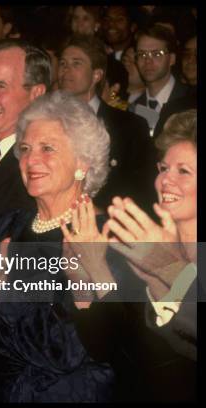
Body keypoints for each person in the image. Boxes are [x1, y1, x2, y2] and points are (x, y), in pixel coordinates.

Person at [0, 91, 115, 402]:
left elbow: (67, 350)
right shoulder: (10, 225)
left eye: (47, 148)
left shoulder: (103, 235)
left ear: (82, 162)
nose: (30, 159)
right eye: (24, 148)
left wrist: (0, 291)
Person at [63, 109, 197, 401]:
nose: (165, 181)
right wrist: (87, 275)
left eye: (183, 171)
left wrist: (171, 271)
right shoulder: (144, 246)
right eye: (163, 169)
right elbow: (108, 349)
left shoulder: (158, 255)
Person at [57, 35, 158, 215]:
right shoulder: (48, 121)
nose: (66, 70)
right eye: (63, 64)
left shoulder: (130, 127)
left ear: (97, 75)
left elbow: (143, 190)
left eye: (76, 63)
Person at [130, 24, 191, 134]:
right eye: (142, 54)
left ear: (172, 59)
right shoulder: (133, 108)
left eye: (157, 54)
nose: (148, 61)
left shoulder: (190, 101)